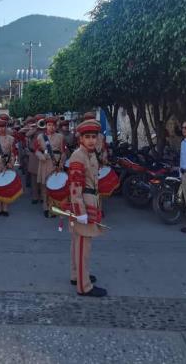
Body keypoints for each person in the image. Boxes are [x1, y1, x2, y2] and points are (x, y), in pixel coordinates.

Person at [66, 119, 107, 297]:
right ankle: (84, 286)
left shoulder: (90, 154)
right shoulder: (78, 156)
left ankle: (77, 275)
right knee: (83, 246)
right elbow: (75, 187)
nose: (91, 140)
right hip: (83, 202)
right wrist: (79, 212)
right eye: (87, 137)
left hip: (90, 200)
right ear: (80, 138)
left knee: (78, 243)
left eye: (94, 137)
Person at [35, 116, 67, 218]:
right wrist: (41, 156)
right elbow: (36, 150)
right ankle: (45, 207)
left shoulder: (60, 136)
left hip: (56, 163)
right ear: (46, 126)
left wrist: (61, 162)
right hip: (45, 163)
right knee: (45, 186)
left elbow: (63, 151)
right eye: (49, 125)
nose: (51, 127)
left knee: (55, 186)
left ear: (56, 126)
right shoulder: (40, 137)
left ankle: (54, 207)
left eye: (53, 125)